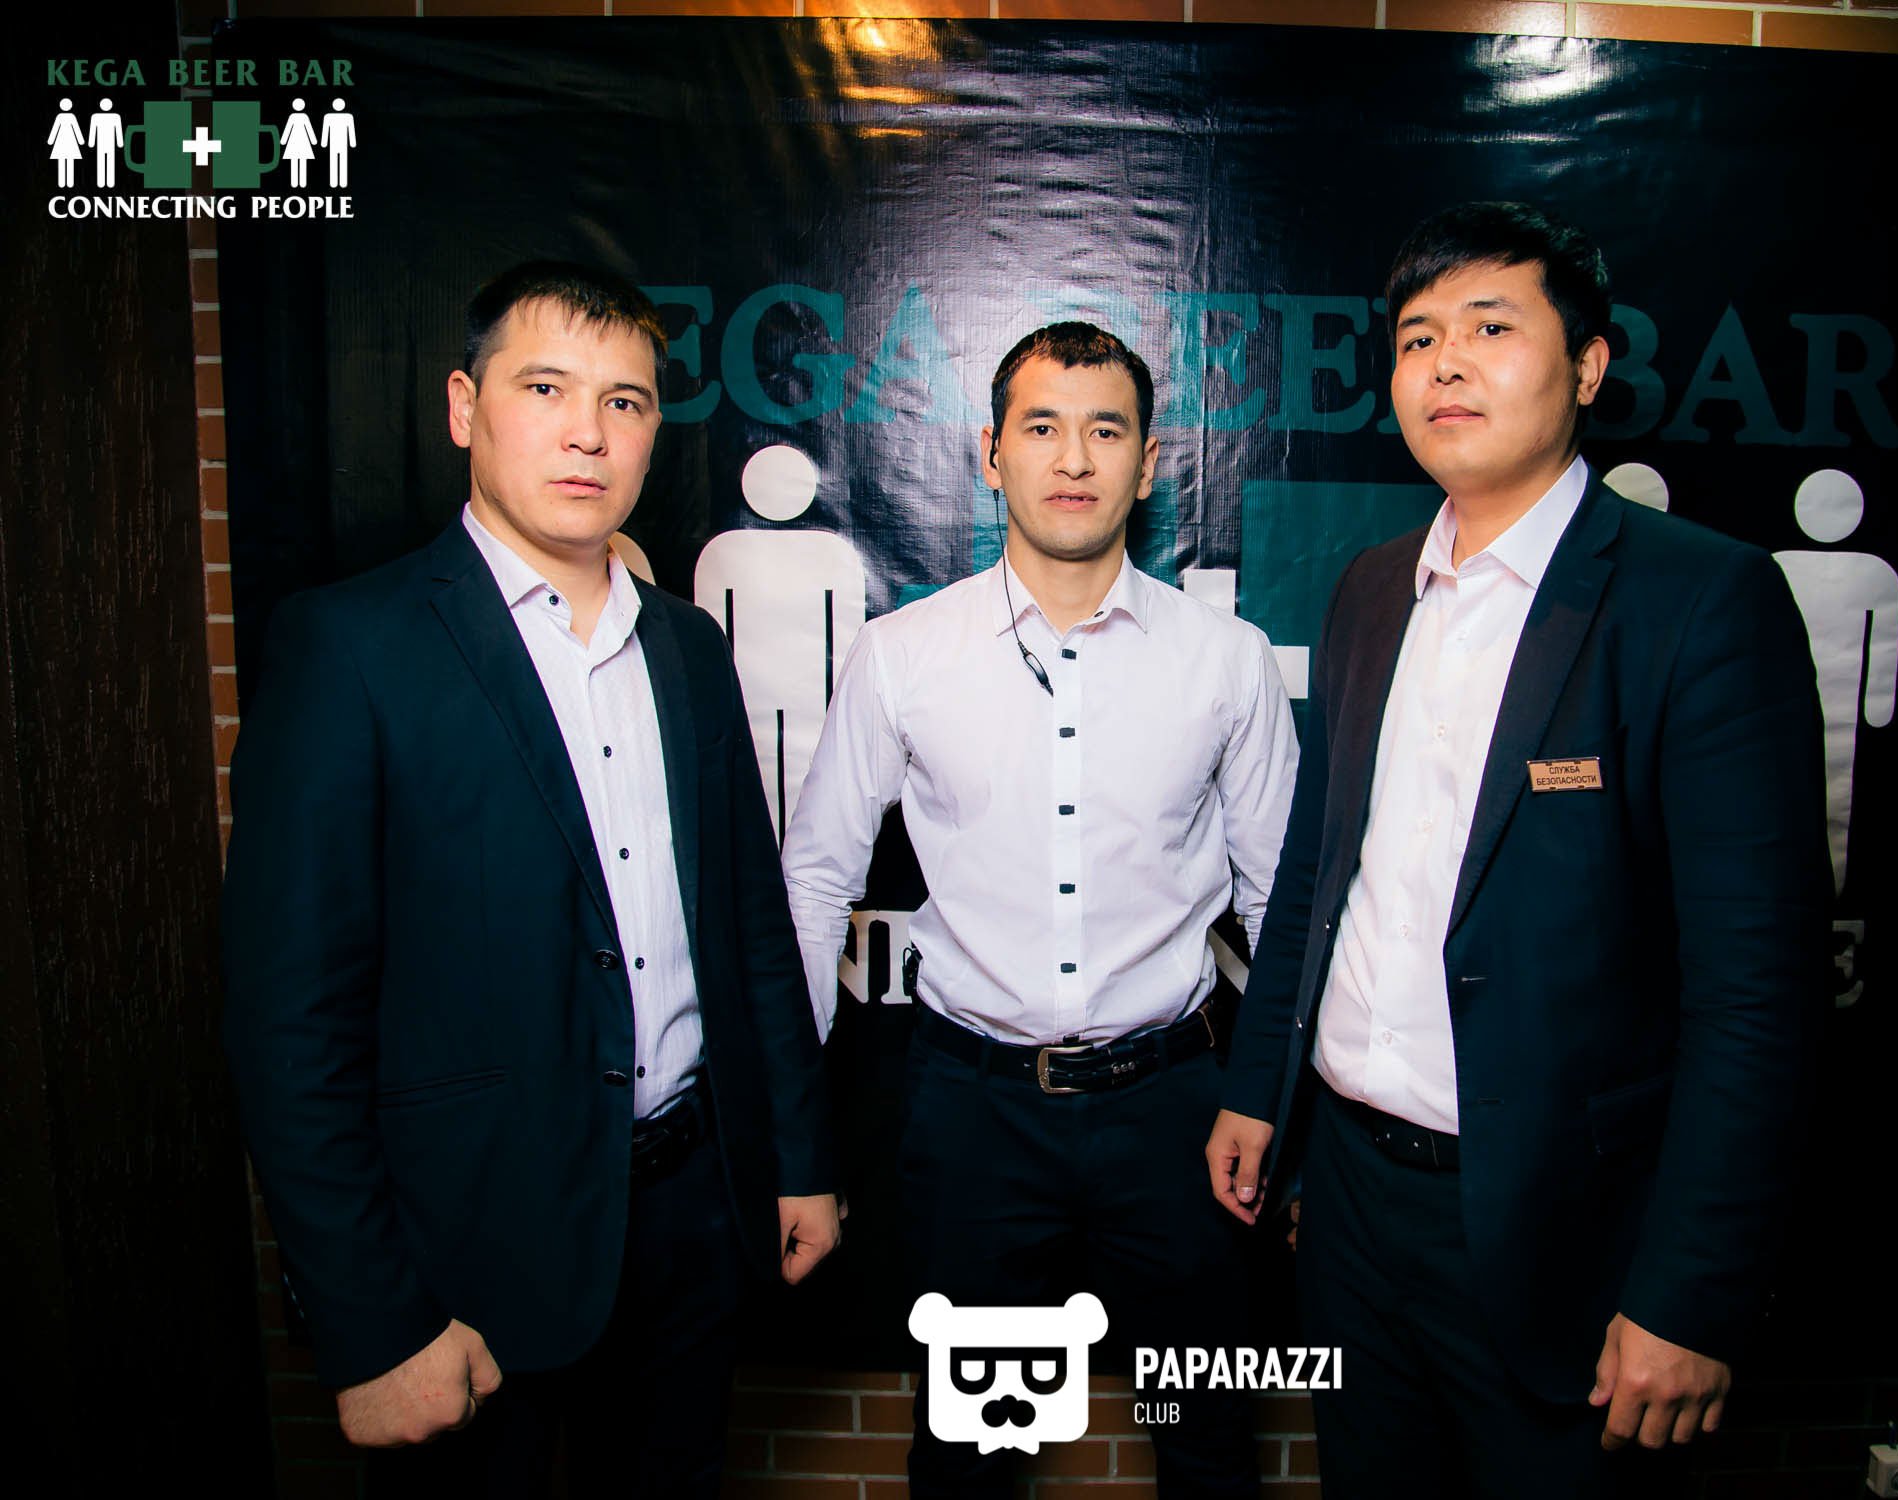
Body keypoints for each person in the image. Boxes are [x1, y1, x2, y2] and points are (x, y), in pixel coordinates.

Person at [1205, 202, 1830, 1496]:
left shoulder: (1698, 600)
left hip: (1560, 1232)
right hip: (1348, 1206)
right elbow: (1320, 875)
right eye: (1417, 337)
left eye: (1491, 328)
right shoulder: (1370, 589)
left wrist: (1691, 1294)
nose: (1445, 362)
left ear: (1587, 366)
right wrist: (1261, 1091)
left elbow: (1758, 992)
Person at [222, 261, 841, 1497]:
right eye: (545, 388)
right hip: (466, 1251)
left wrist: (799, 1160)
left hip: (690, 1218)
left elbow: (752, 932)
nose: (587, 432)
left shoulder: (687, 648)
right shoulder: (350, 647)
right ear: (465, 408)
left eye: (624, 402)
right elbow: (289, 1020)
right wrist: (371, 1321)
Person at [782, 322, 1297, 1498]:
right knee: (972, 1457)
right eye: (1043, 427)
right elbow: (815, 881)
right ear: (991, 453)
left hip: (1178, 1114)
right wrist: (791, 1119)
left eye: (1105, 430)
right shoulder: (903, 654)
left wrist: (1273, 1105)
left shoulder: (1227, 660)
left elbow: (1281, 899)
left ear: (1148, 464)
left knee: (1207, 1443)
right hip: (976, 1116)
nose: (1074, 458)